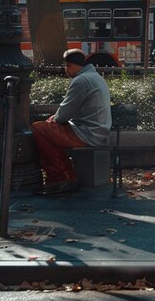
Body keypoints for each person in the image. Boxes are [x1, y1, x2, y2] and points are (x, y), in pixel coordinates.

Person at [31, 49, 112, 195]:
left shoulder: (81, 80)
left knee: (38, 129)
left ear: (69, 65)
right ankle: (65, 175)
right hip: (97, 132)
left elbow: (64, 113)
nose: (65, 70)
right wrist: (54, 120)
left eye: (65, 66)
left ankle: (60, 177)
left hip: (87, 134)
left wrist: (52, 120)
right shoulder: (95, 77)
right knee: (48, 130)